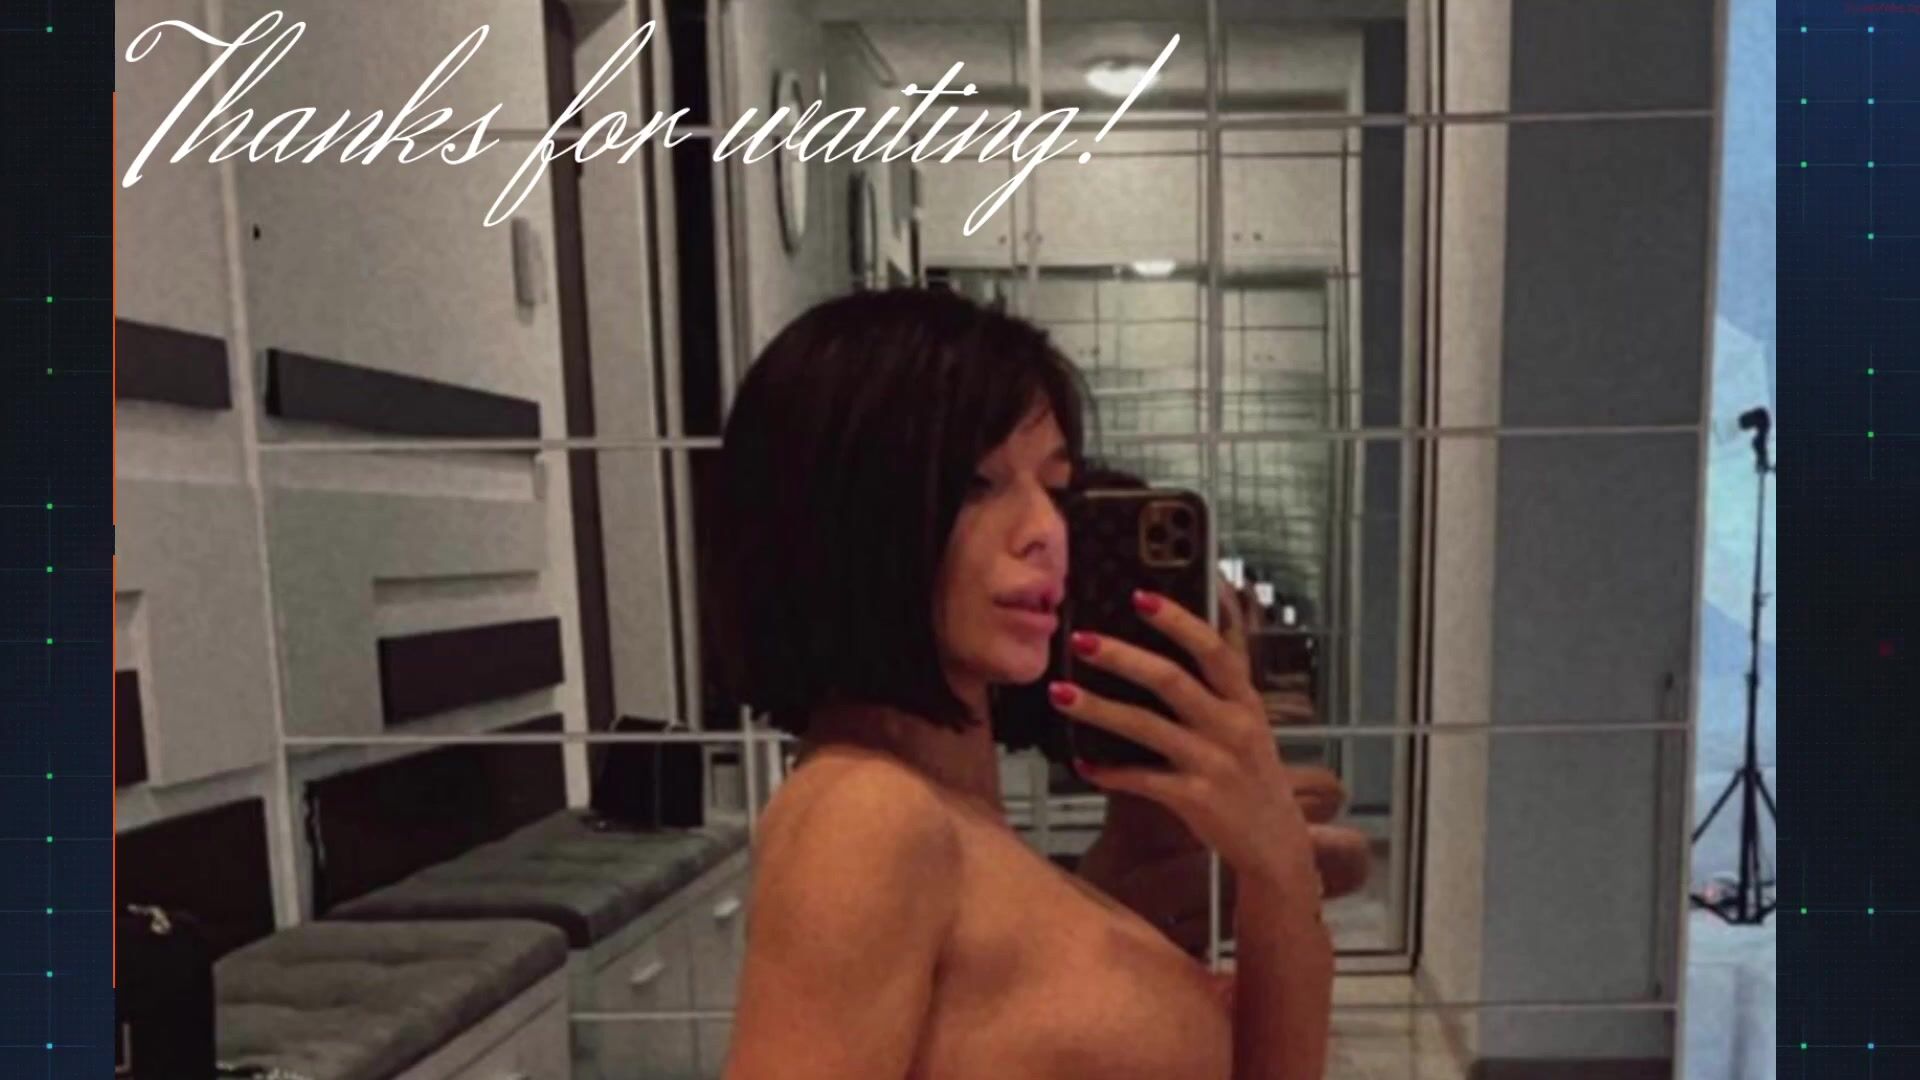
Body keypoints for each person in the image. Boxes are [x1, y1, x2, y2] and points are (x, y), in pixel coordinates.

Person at [708, 288, 1332, 1080]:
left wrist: (1275, 865)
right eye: (978, 483)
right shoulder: (867, 817)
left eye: (1056, 489)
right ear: (848, 512)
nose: (1046, 531)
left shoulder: (952, 817)